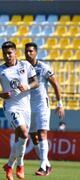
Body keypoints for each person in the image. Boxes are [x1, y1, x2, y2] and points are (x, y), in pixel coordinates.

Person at [0, 41, 39, 180]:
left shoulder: (25, 65)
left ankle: (10, 165)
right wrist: (0, 94)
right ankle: (20, 165)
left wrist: (27, 86)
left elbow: (36, 82)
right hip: (11, 106)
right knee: (23, 132)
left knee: (21, 138)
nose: (7, 56)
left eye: (9, 53)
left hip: (25, 107)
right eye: (4, 53)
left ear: (15, 52)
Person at [25, 42, 65, 176]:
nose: (28, 53)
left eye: (31, 51)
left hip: (42, 104)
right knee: (33, 136)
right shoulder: (22, 67)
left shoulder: (44, 67)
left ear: (36, 52)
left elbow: (55, 84)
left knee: (42, 133)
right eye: (26, 51)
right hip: (28, 106)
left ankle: (43, 167)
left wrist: (60, 103)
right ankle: (47, 164)